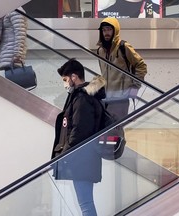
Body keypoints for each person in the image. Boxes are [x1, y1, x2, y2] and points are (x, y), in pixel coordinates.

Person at [51, 59, 106, 216]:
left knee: (85, 204)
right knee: (85, 203)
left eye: (65, 79)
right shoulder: (82, 96)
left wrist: (65, 154)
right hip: (84, 158)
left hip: (82, 158)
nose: (65, 83)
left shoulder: (82, 98)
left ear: (74, 77)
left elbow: (79, 130)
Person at [97, 17, 147, 120]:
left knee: (116, 129)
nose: (106, 33)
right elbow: (104, 74)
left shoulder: (123, 47)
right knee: (106, 130)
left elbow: (141, 65)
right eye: (104, 30)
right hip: (105, 98)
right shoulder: (100, 51)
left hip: (121, 98)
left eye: (109, 29)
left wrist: (134, 89)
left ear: (115, 30)